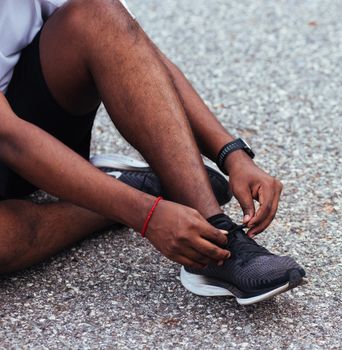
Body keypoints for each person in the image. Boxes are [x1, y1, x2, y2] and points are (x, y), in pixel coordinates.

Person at [0, 0, 304, 304]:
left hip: (30, 126)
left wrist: (231, 153)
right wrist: (146, 214)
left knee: (99, 14)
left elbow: (132, 48)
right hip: (11, 137)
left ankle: (214, 237)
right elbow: (9, 138)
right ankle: (116, 193)